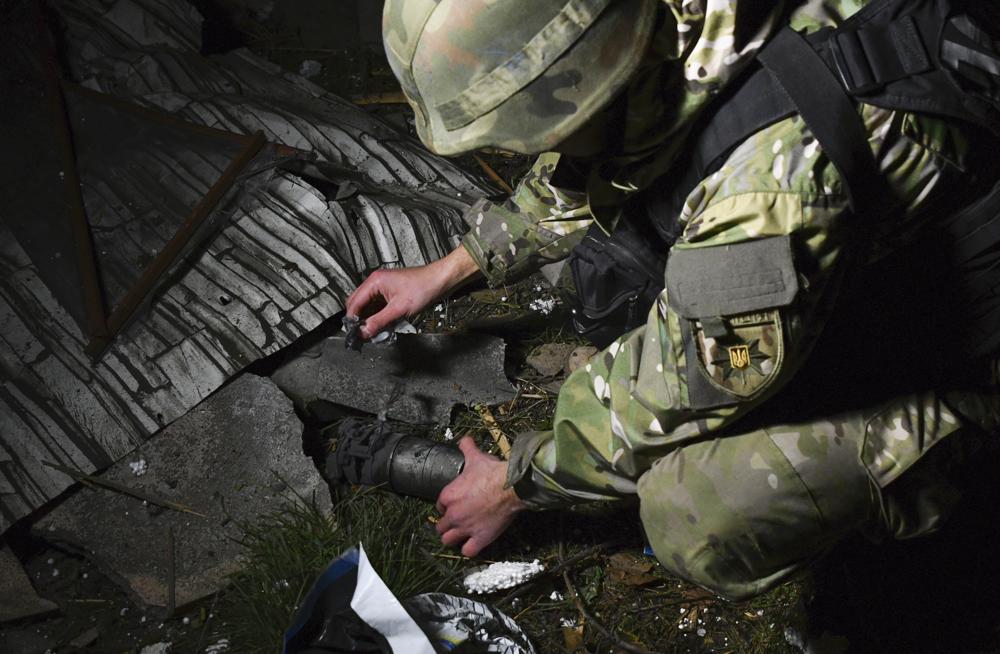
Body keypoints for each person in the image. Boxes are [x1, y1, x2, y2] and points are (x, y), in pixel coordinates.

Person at [346, 0, 1000, 600]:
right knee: (618, 272)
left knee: (694, 513)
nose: (518, 149)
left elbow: (699, 377)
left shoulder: (762, 196)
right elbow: (600, 160)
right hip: (894, 237)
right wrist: (454, 267)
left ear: (587, 81)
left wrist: (517, 484)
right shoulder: (667, 28)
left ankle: (955, 452)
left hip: (966, 335)